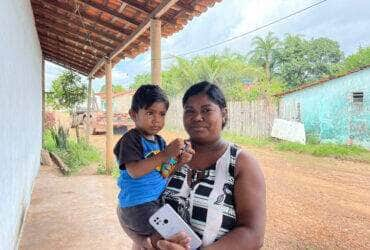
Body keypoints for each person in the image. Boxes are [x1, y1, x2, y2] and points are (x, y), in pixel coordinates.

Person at [155, 81, 266, 249]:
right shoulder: (173, 153)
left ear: (224, 114)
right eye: (190, 111)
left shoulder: (241, 163)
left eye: (206, 110)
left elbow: (252, 233)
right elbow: (145, 197)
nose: (197, 117)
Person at [114, 84, 194, 249]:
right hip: (138, 205)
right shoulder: (131, 139)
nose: (156, 119)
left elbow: (164, 172)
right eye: (150, 113)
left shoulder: (159, 141)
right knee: (174, 237)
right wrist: (166, 154)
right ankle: (146, 243)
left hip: (153, 202)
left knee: (178, 233)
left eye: (162, 114)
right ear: (133, 114)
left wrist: (180, 161)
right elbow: (135, 171)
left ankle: (143, 243)